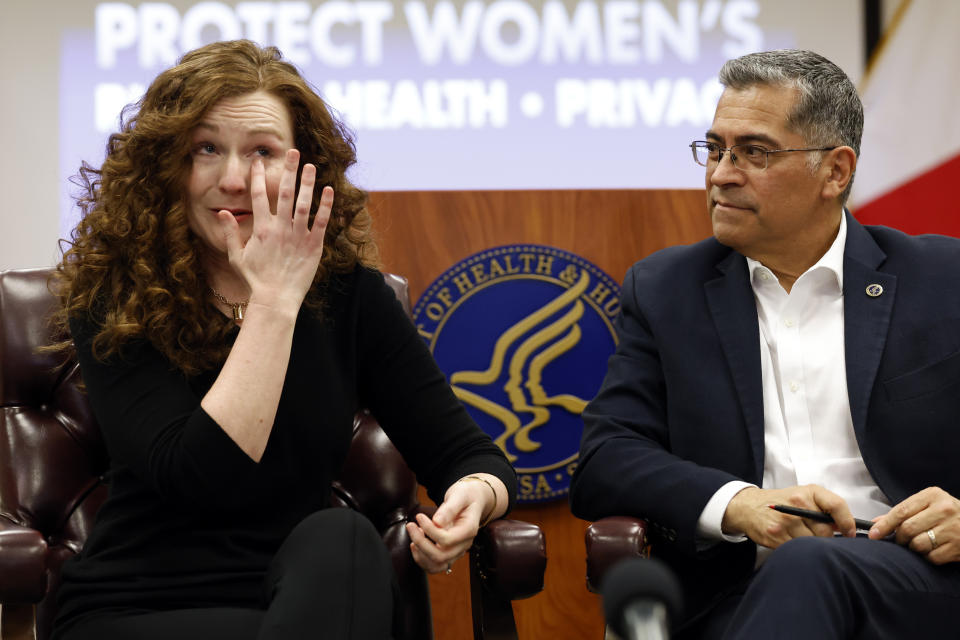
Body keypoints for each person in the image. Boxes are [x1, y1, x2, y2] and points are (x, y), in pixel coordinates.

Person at [48, 40, 516, 640]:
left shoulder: (350, 297)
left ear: (305, 168)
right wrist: (273, 301)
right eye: (206, 148)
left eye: (263, 151)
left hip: (303, 600)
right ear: (167, 167)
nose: (236, 179)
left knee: (344, 536)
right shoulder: (117, 297)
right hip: (141, 606)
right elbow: (202, 477)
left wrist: (474, 498)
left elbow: (469, 455)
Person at [570, 49, 960, 639]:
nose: (721, 173)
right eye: (715, 148)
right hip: (737, 594)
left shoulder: (944, 280)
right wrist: (740, 504)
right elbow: (606, 458)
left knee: (811, 565)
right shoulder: (666, 290)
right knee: (798, 571)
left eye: (754, 152)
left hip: (912, 586)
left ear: (836, 171)